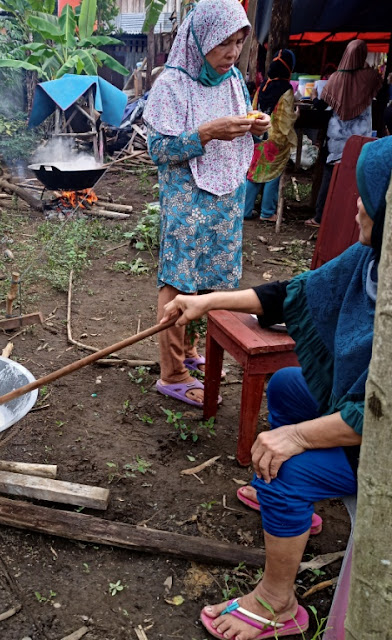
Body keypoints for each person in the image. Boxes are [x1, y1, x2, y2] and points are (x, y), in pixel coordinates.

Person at [160, 135, 392, 640]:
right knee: (288, 386)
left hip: (386, 445)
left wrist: (300, 439)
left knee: (284, 463)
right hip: (364, 413)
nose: (357, 204)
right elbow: (294, 295)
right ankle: (295, 510)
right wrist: (209, 302)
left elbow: (385, 412)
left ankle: (278, 604)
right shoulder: (373, 261)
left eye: (369, 197)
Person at [142, 0, 270, 408]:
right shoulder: (173, 84)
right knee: (179, 280)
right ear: (199, 40)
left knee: (210, 278)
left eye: (237, 43)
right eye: (222, 44)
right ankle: (172, 372)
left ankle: (192, 352)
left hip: (227, 196)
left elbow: (247, 130)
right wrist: (206, 133)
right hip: (187, 196)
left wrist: (259, 127)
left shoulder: (232, 79)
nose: (232, 54)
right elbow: (159, 150)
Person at [306, 39, 382, 228]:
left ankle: (319, 217)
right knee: (356, 177)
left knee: (330, 177)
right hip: (362, 137)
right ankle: (350, 217)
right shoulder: (370, 77)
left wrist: (315, 97)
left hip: (337, 137)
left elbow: (320, 106)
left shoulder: (335, 79)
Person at [244, 49, 298, 222]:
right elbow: (285, 121)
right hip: (276, 140)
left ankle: (245, 210)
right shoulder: (286, 89)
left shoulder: (263, 86)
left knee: (255, 172)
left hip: (259, 136)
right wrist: (296, 116)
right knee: (273, 174)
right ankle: (267, 212)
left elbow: (253, 110)